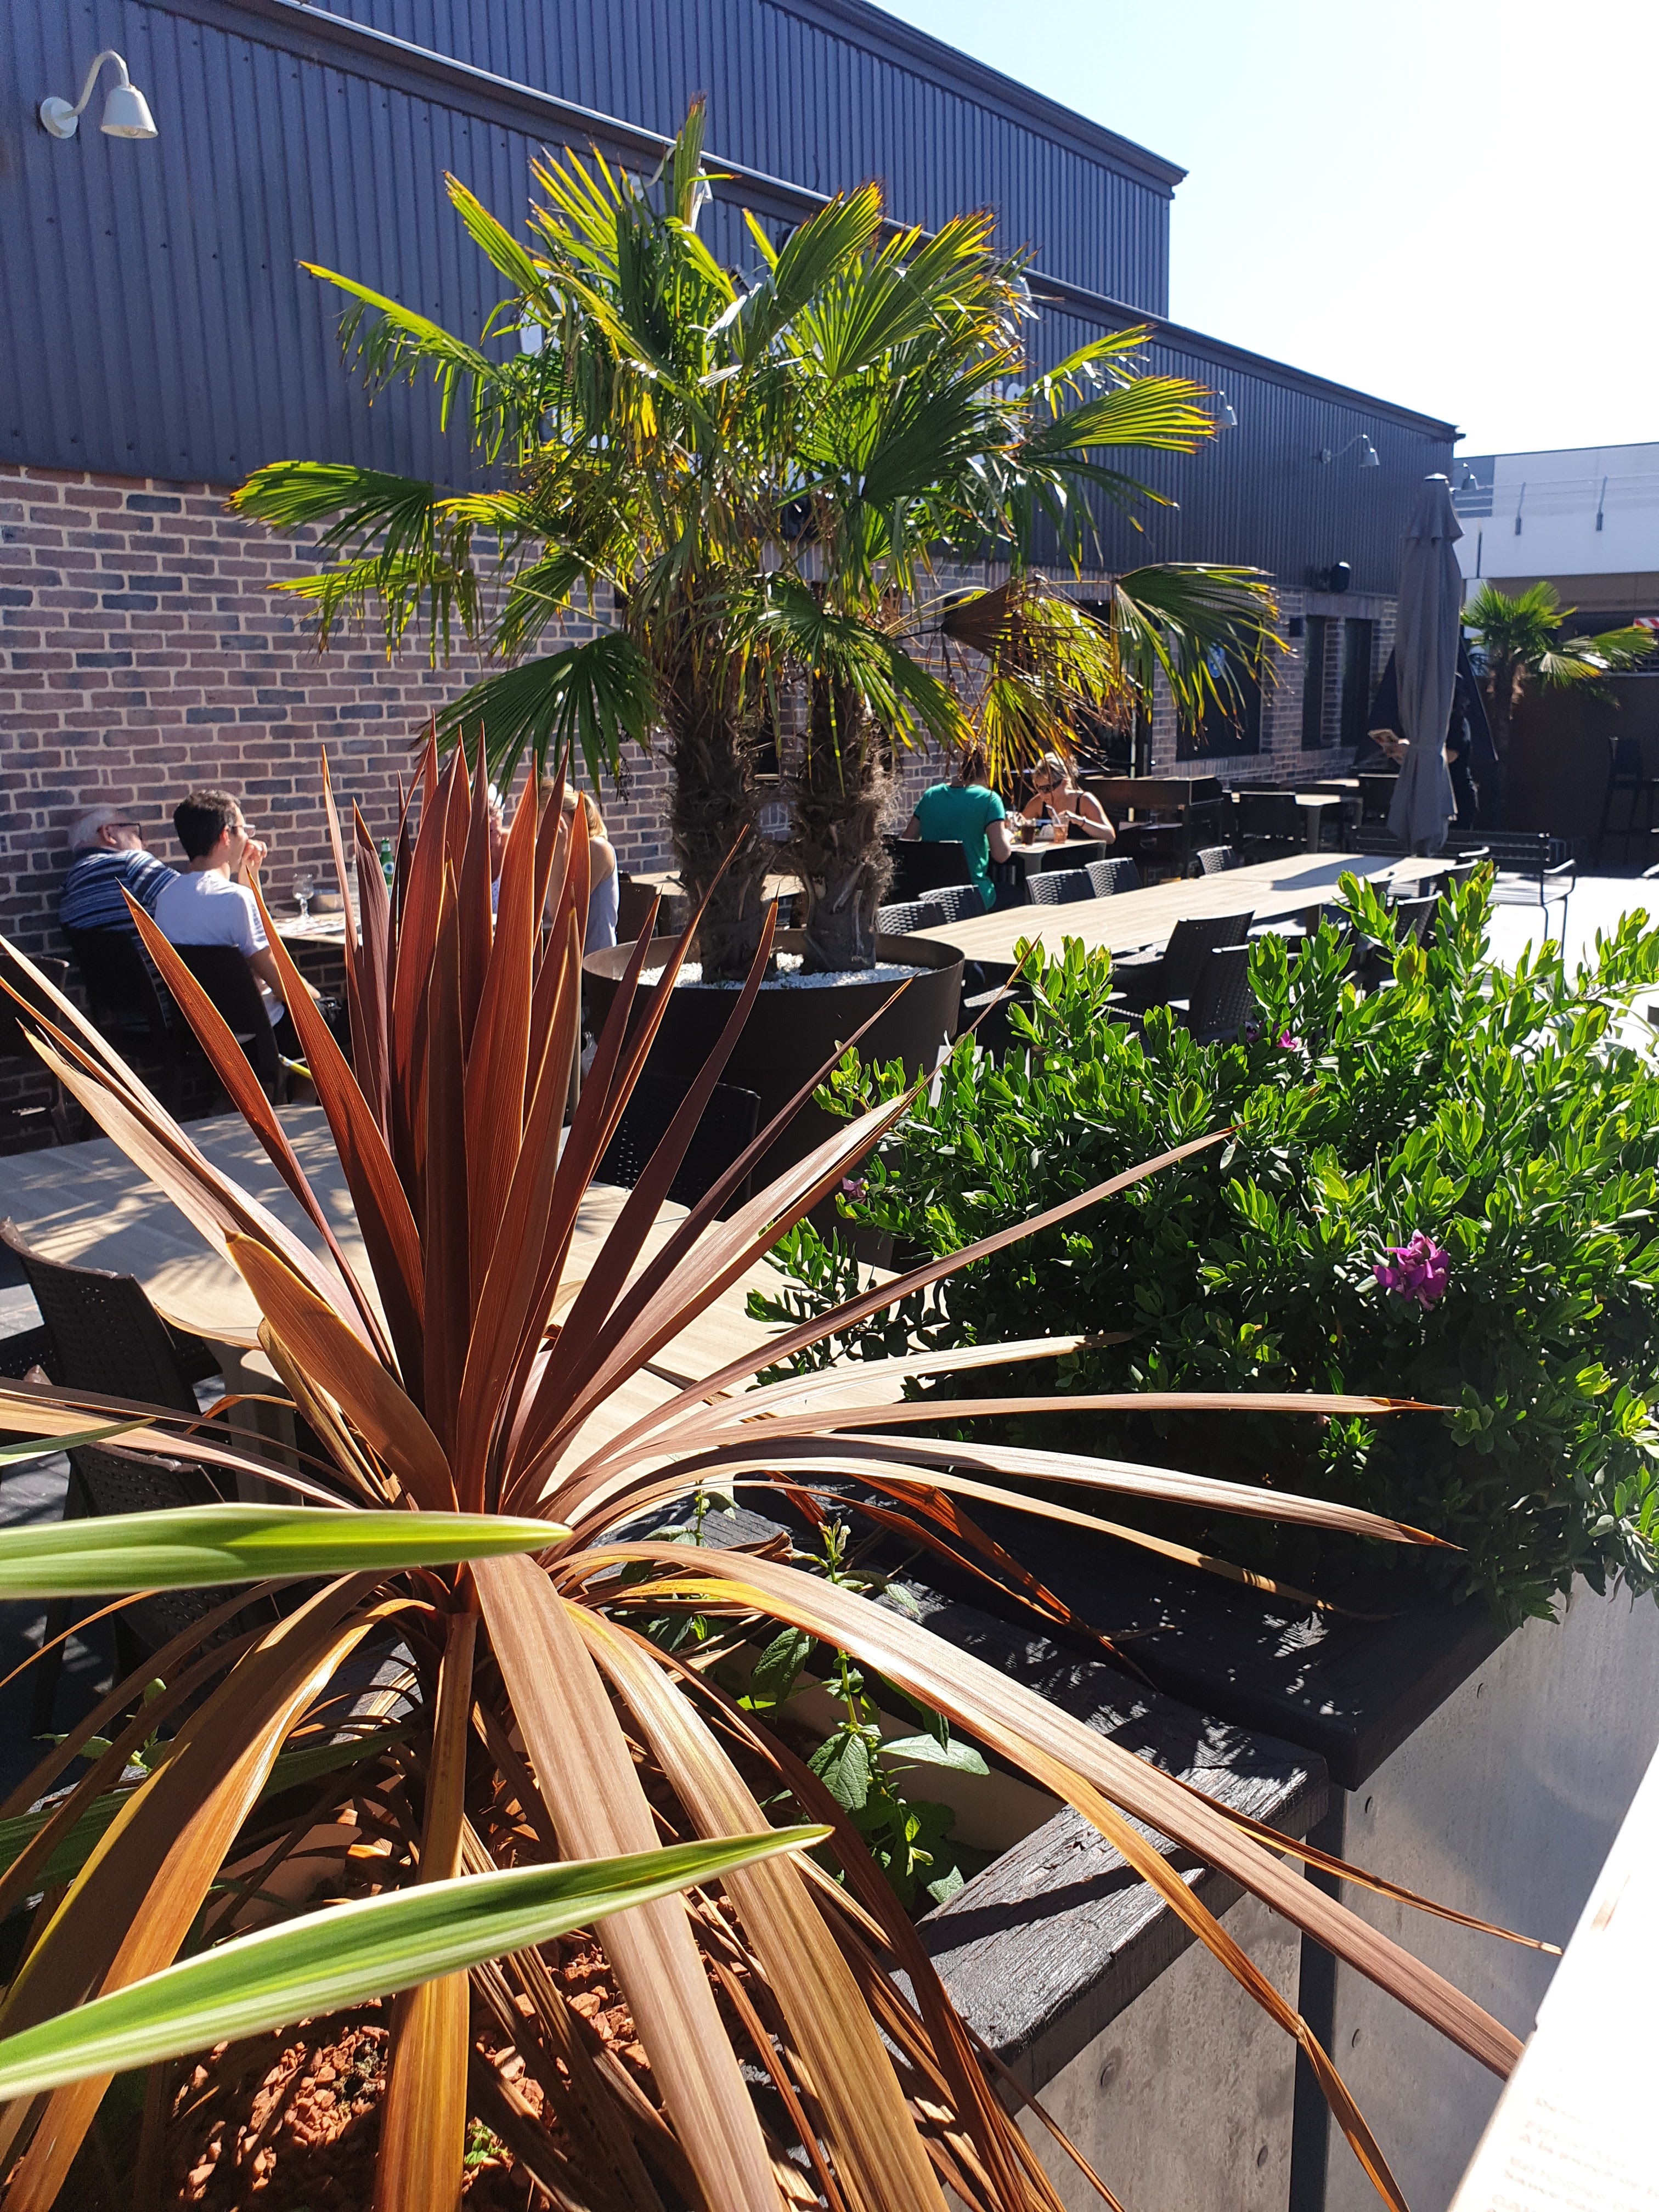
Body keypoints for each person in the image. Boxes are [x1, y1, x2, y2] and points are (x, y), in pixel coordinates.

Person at [153, 788, 336, 1049]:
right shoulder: (235, 899)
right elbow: (283, 983)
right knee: (352, 1020)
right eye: (243, 829)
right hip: (263, 1034)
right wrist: (321, 1000)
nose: (249, 837)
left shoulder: (166, 898)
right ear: (225, 835)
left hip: (207, 1037)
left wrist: (250, 875)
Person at [901, 744, 1012, 910]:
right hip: (972, 896)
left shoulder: (931, 795)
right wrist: (1007, 836)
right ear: (990, 772)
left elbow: (906, 843)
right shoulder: (989, 799)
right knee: (1018, 893)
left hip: (930, 896)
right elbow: (1002, 855)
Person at [60, 805, 178, 938]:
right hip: (157, 951)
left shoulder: (68, 886)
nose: (145, 844)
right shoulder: (131, 863)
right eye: (135, 833)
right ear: (108, 834)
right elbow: (189, 898)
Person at [1018, 751, 1115, 843]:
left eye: (1047, 789)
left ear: (1064, 782)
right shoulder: (1039, 803)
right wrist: (1015, 822)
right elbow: (1019, 827)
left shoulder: (1084, 801)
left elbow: (1110, 837)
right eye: (1039, 789)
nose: (1043, 796)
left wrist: (1079, 820)